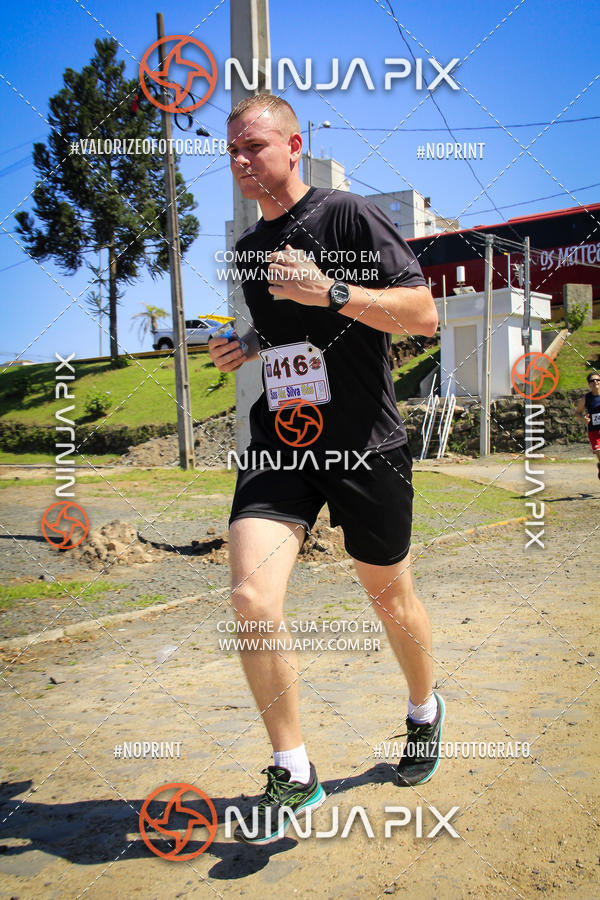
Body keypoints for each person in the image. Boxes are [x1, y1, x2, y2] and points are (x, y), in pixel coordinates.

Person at [208, 93, 443, 846]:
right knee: (250, 596)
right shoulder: (248, 249)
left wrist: (332, 290)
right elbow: (286, 332)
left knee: (388, 595)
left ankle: (423, 711)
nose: (241, 162)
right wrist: (245, 347)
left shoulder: (348, 218)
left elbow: (422, 314)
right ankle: (295, 768)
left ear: (293, 144)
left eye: (253, 146)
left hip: (366, 446)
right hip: (283, 442)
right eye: (232, 152)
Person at [575, 371, 600, 478]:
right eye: (592, 380)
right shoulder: (587, 398)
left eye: (598, 380)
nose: (595, 382)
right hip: (594, 431)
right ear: (589, 384)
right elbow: (577, 413)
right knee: (599, 451)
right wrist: (583, 419)